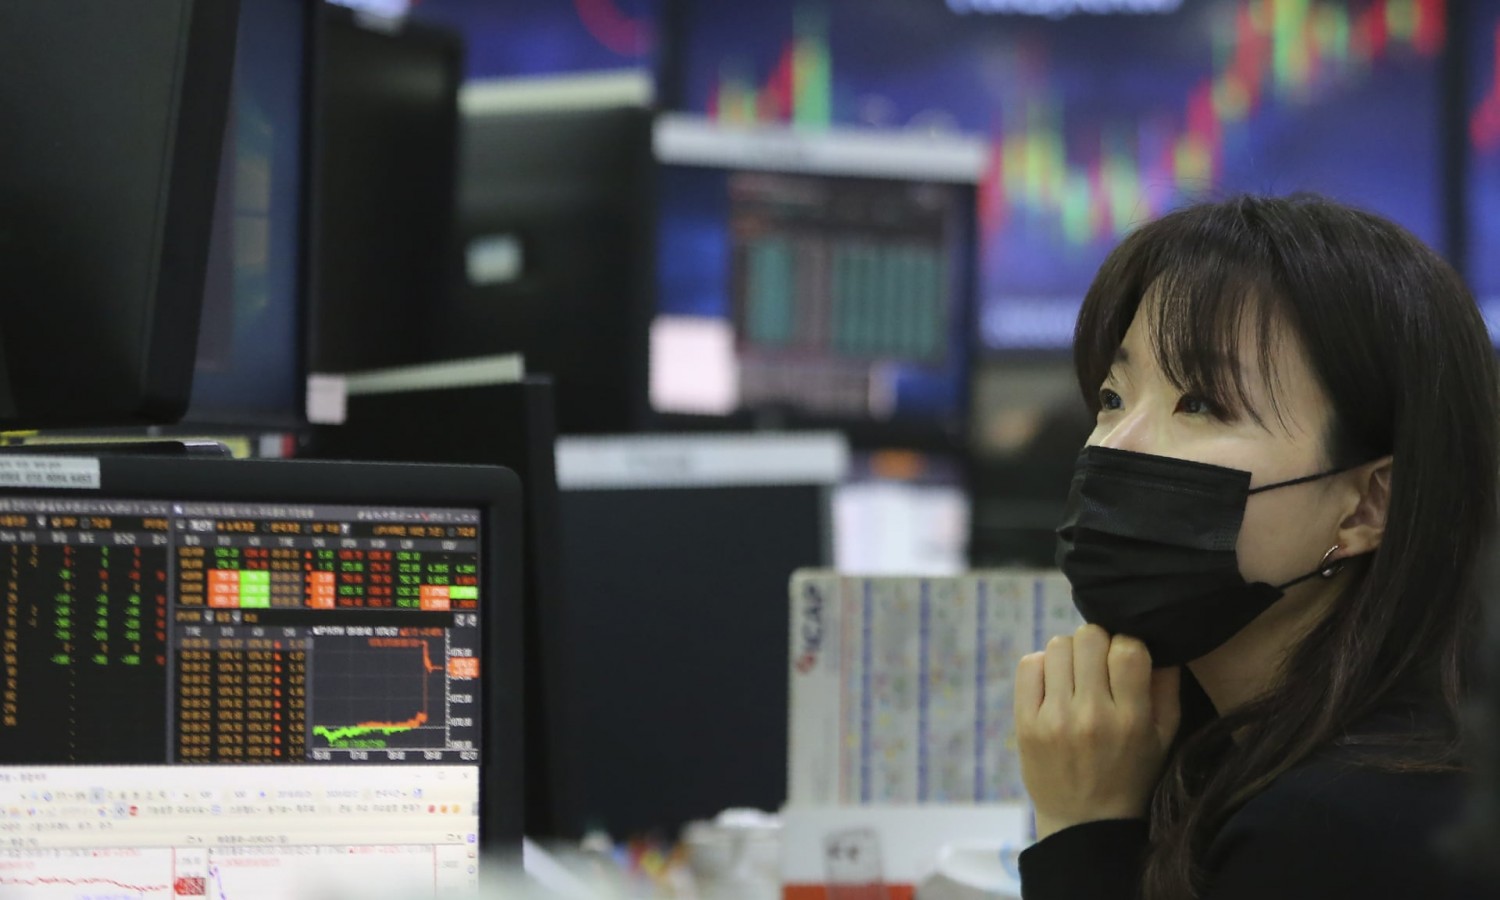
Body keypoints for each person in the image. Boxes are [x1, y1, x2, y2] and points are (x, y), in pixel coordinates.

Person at [1014, 195, 1499, 899]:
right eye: (1113, 398)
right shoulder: (1258, 757)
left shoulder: (1334, 834)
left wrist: (1081, 831)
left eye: (1201, 404)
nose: (1114, 445)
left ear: (1368, 504)